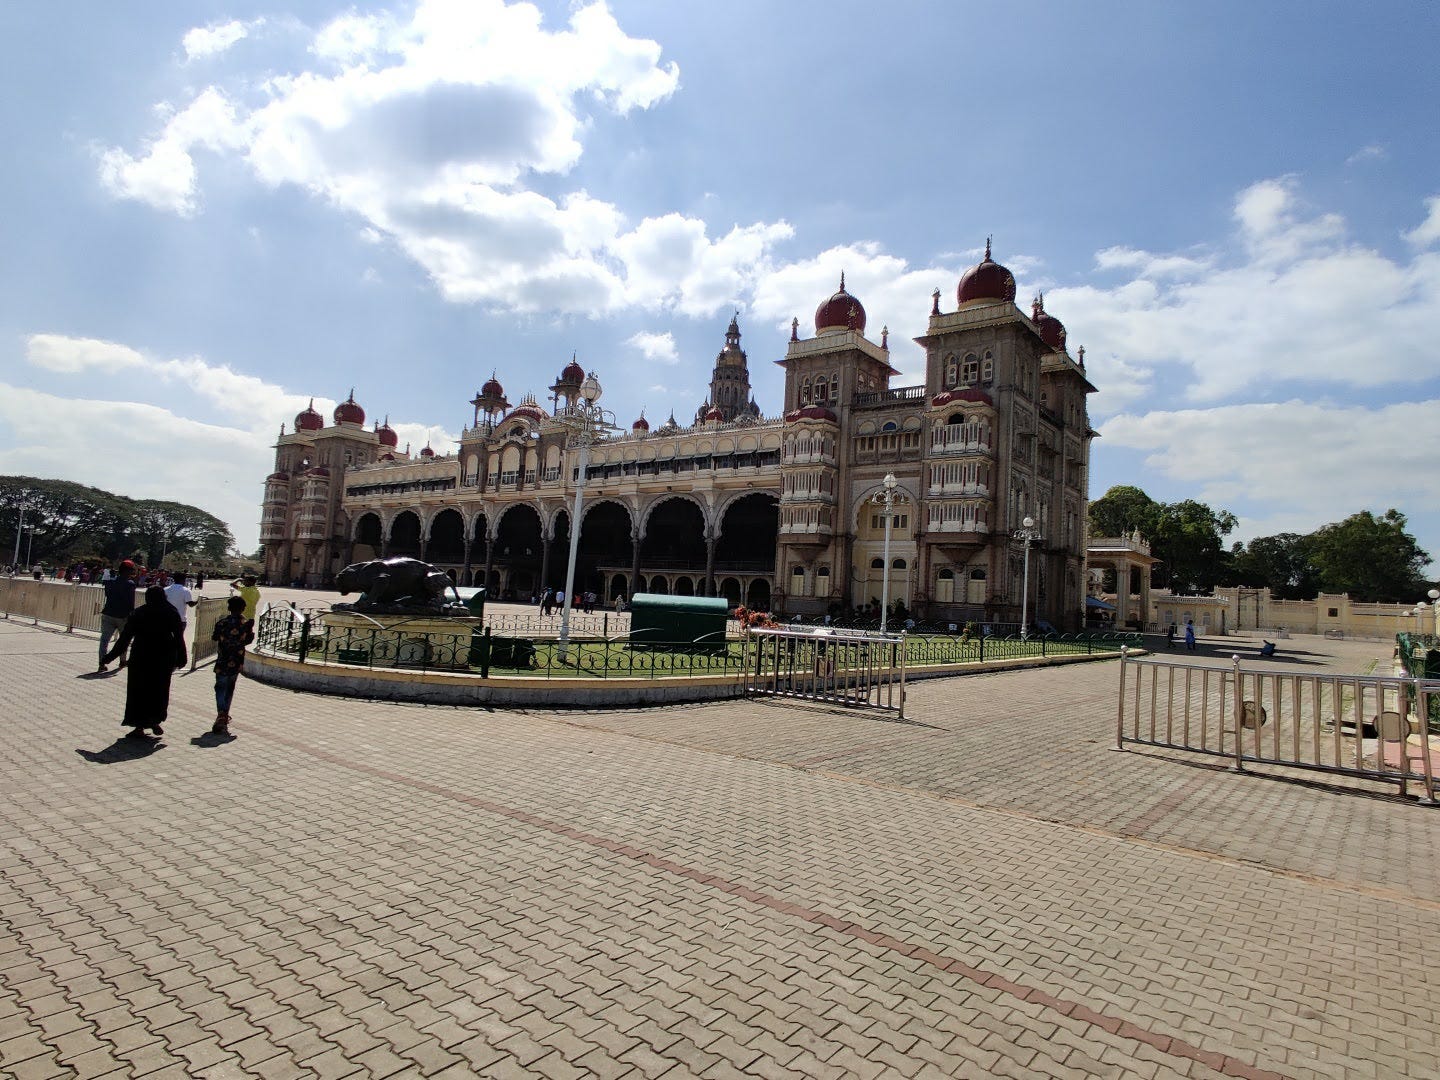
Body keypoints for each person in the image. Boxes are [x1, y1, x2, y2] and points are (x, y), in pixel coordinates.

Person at [103, 586, 186, 738]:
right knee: (159, 690)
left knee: (138, 690)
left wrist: (108, 657)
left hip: (141, 656)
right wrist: (182, 657)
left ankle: (139, 726)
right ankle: (154, 720)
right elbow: (178, 637)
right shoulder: (171, 611)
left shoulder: (139, 613)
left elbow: (125, 638)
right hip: (163, 656)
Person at [210, 595, 255, 736]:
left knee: (220, 687)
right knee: (230, 688)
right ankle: (224, 715)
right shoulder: (246, 624)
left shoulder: (222, 623)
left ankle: (221, 714)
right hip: (236, 661)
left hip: (223, 660)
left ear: (229, 608)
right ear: (243, 609)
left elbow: (215, 637)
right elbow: (248, 640)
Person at [98, 561, 138, 672]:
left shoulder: (110, 582)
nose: (133, 572)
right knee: (124, 640)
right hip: (122, 616)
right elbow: (130, 602)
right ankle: (122, 661)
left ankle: (102, 663)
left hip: (108, 614)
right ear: (127, 571)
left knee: (104, 640)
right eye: (132, 569)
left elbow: (107, 595)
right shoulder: (130, 584)